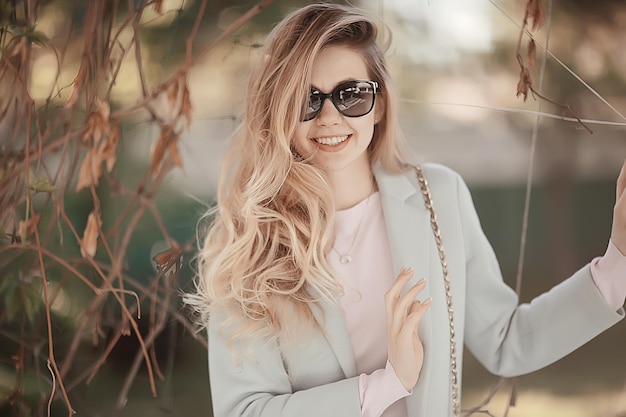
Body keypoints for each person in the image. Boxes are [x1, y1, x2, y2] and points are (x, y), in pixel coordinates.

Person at [184, 3, 626, 417]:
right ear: (278, 112)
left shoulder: (439, 196)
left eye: (351, 95)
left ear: (378, 106)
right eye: (307, 99)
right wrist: (387, 383)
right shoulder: (247, 239)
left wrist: (618, 261)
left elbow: (508, 341)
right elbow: (245, 410)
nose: (330, 117)